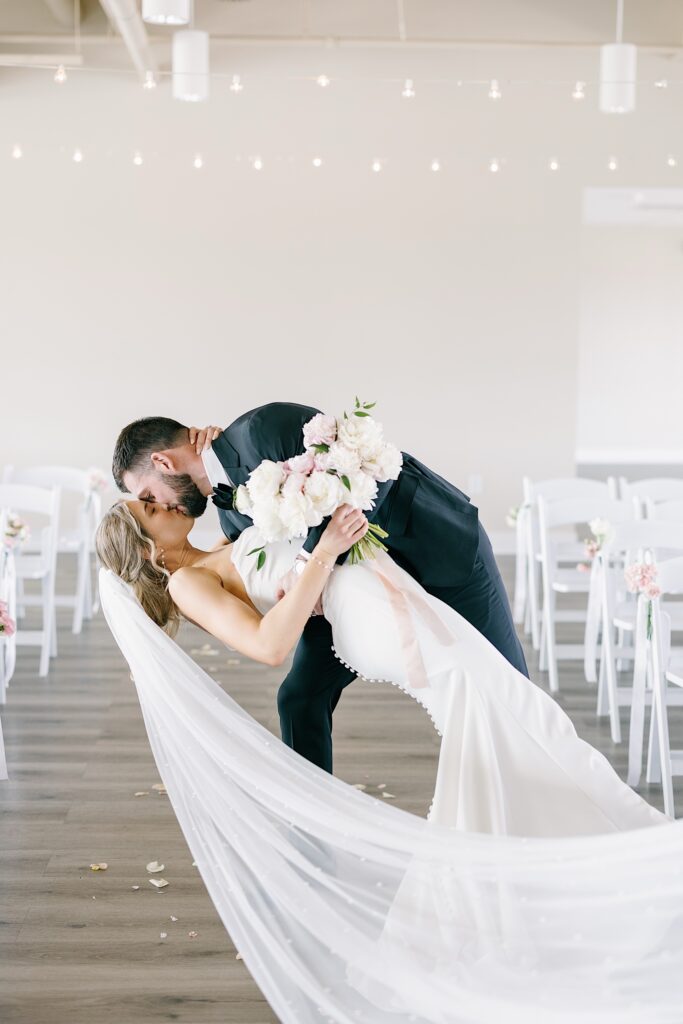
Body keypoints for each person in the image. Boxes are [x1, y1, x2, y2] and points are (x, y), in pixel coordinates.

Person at [112, 404, 528, 772]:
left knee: (511, 693)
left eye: (149, 495)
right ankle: (313, 834)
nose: (164, 506)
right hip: (357, 596)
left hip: (438, 550)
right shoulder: (229, 515)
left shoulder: (262, 430)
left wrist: (307, 562)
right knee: (300, 698)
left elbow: (368, 470)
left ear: (163, 463)